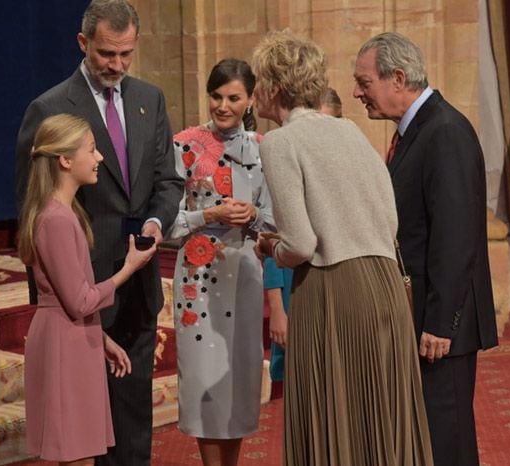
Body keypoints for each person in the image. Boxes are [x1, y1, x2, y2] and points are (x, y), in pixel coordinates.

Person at [251, 31, 434, 466]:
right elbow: (389, 219)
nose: (255, 90)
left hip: (333, 289)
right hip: (385, 286)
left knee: (335, 415)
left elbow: (300, 243)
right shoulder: (350, 130)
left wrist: (269, 248)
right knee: (382, 417)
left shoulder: (280, 142)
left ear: (274, 87)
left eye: (259, 80)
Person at [14, 1, 184, 464]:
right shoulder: (49, 108)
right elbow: (30, 206)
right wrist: (49, 303)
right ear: (83, 43)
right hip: (81, 297)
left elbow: (168, 181)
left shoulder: (150, 97)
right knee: (85, 430)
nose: (118, 65)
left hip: (138, 283)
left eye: (127, 54)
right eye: (108, 53)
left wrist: (154, 223)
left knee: (132, 419)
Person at [353, 32, 498, 466]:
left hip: (441, 327)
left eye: (364, 82)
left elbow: (456, 238)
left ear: (398, 78)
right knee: (427, 440)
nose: (357, 93)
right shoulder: (417, 129)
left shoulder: (445, 131)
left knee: (446, 441)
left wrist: (440, 324)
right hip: (420, 317)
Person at [18, 114, 157, 465]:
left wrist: (103, 339)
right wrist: (129, 268)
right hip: (65, 344)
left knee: (81, 450)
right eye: (92, 150)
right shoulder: (57, 219)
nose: (99, 158)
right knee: (74, 453)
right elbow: (79, 301)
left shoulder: (64, 213)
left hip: (75, 338)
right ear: (65, 160)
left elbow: (72, 298)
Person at [167, 58, 275, 466]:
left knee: (238, 379)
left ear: (250, 99)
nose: (223, 105)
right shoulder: (184, 145)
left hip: (245, 273)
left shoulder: (264, 149)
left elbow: (277, 220)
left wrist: (254, 217)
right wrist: (207, 216)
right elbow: (165, 224)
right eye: (216, 96)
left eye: (233, 97)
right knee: (202, 381)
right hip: (198, 281)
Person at [263, 86, 344, 384]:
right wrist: (276, 308)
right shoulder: (284, 157)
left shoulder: (344, 167)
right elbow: (274, 234)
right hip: (292, 283)